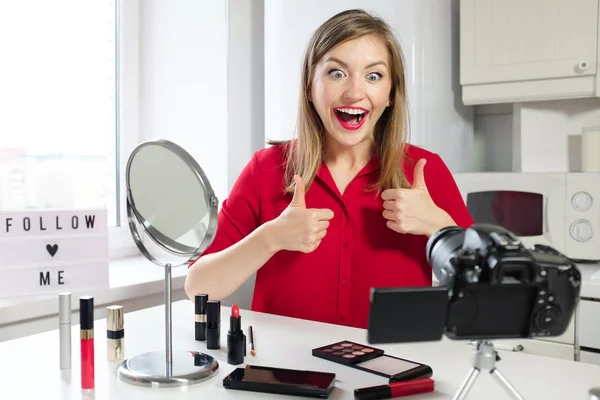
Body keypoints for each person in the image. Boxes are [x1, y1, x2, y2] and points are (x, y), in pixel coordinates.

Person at [185, 9, 473, 329]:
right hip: (285, 372)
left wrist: (439, 226)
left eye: (373, 76)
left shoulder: (424, 171)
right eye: (336, 73)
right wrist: (270, 237)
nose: (353, 92)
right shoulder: (265, 170)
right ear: (310, 87)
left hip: (395, 370)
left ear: (391, 93)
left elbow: (483, 298)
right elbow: (198, 287)